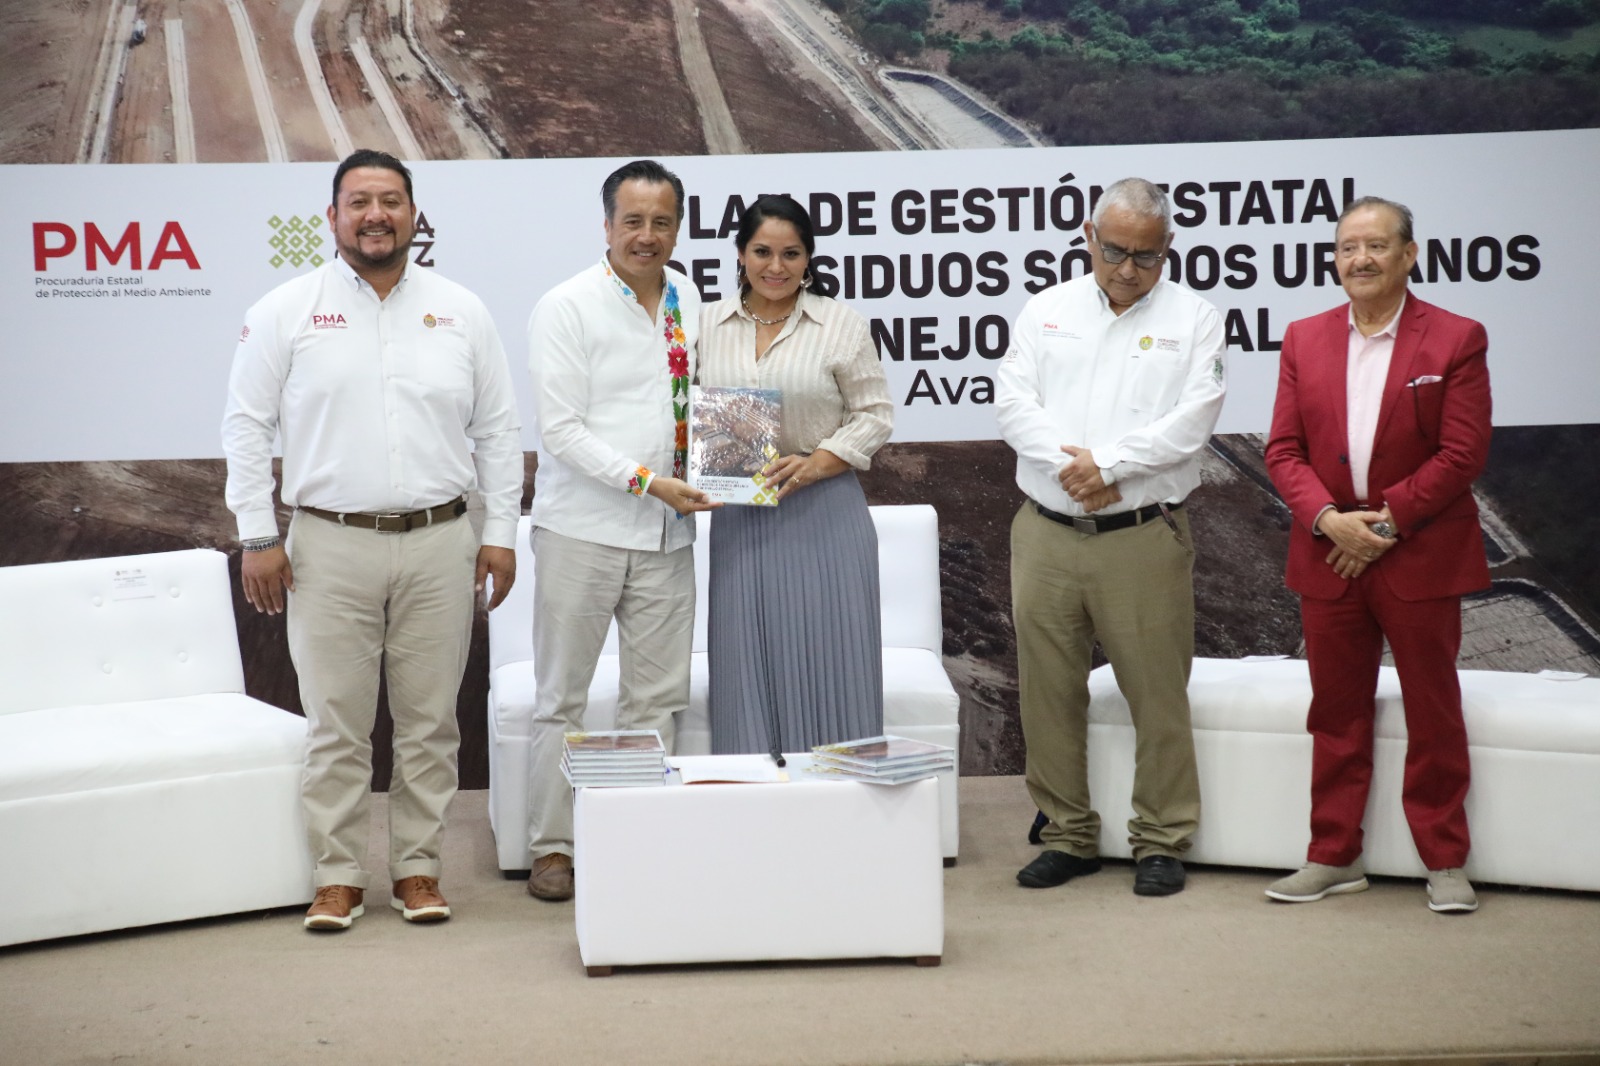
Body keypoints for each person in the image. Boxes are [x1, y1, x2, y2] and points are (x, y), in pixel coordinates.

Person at [222, 149, 522, 931]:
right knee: (338, 722)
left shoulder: (462, 309)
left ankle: (419, 869)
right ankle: (339, 874)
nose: (376, 215)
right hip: (328, 545)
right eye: (359, 202)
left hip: (441, 542)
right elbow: (247, 427)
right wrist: (258, 534)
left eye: (391, 201)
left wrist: (500, 533)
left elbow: (496, 430)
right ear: (332, 217)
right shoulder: (285, 310)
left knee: (430, 721)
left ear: (415, 216)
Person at [996, 177, 1226, 897]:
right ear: (1089, 239)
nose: (1129, 269)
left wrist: (1111, 467)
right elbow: (1013, 399)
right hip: (1047, 532)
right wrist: (1075, 468)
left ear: (1169, 251)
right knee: (1047, 691)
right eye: (1116, 251)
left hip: (1140, 535)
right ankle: (1067, 833)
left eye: (1147, 257)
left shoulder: (1196, 319)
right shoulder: (1048, 309)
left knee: (1157, 693)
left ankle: (1160, 838)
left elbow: (1195, 418)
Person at [1263, 196, 1492, 914]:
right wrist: (1333, 522)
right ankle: (1332, 855)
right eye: (1346, 248)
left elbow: (1462, 454)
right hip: (1329, 552)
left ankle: (1445, 860)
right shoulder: (1304, 338)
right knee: (1335, 713)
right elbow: (1283, 451)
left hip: (1417, 554)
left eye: (1375, 246)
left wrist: (1382, 528)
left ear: (1409, 255)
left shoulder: (1456, 339)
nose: (1359, 260)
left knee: (1433, 712)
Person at [523, 159, 718, 902]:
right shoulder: (566, 306)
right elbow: (562, 431)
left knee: (655, 700)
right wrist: (648, 481)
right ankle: (554, 847)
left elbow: (702, 399)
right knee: (562, 699)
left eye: (661, 222)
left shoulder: (686, 297)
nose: (647, 235)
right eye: (632, 221)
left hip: (669, 539)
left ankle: (637, 828)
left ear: (678, 228)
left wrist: (729, 467)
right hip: (586, 532)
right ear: (606, 226)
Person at [697, 194, 894, 756]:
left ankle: (842, 805)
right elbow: (686, 412)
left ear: (809, 259)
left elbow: (874, 416)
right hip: (741, 516)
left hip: (825, 515)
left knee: (832, 659)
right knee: (745, 666)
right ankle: (755, 810)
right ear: (740, 254)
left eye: (791, 253)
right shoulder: (708, 324)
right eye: (762, 251)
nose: (775, 267)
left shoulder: (841, 325)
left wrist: (815, 464)